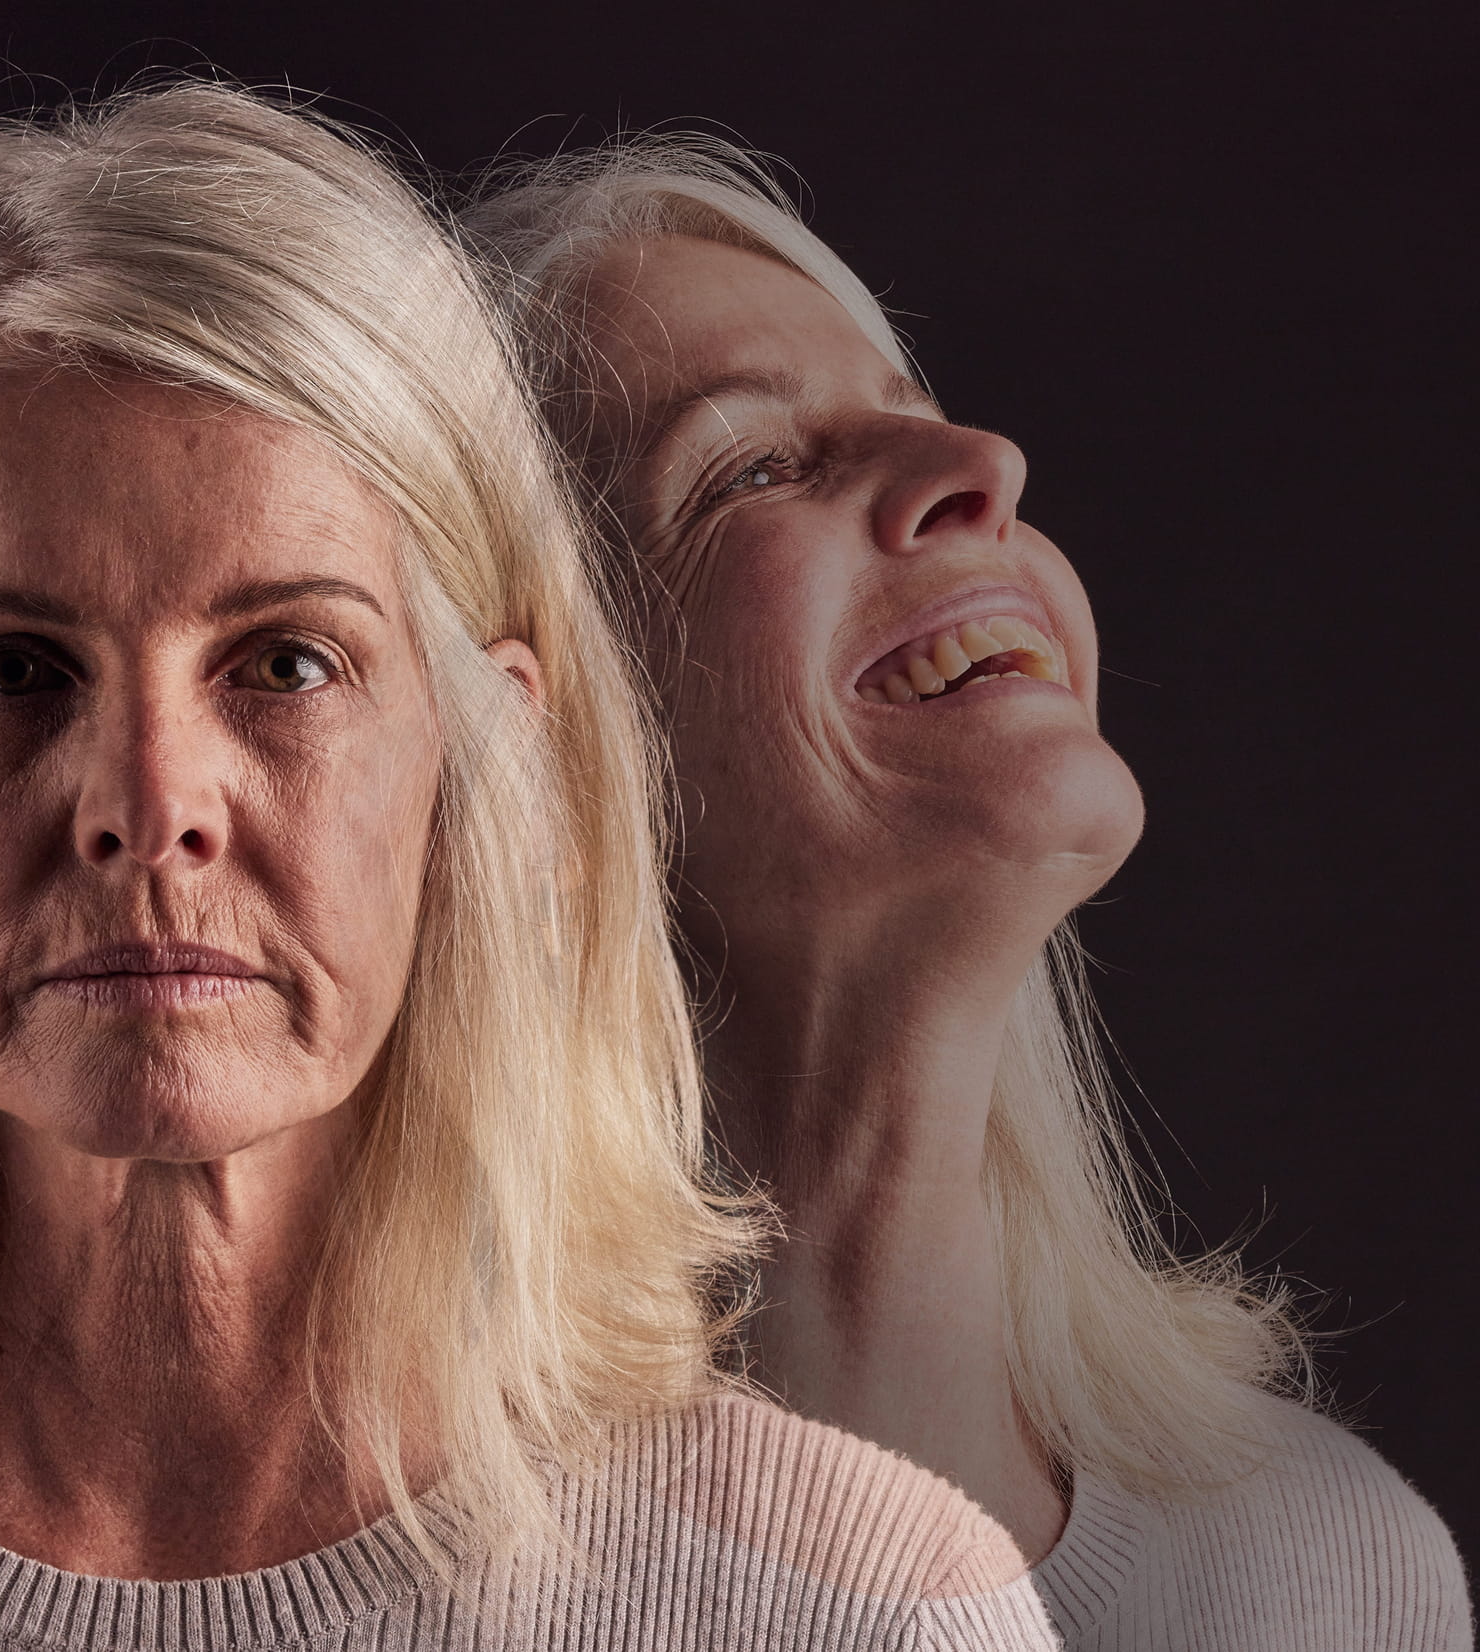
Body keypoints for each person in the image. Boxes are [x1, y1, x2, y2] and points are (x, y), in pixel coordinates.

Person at [0, 82, 1062, 1649]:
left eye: (286, 663)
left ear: (493, 764)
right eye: (9, 670)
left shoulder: (853, 1605)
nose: (150, 805)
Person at [467, 138, 1469, 1648]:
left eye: (922, 419)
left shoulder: (1334, 1570)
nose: (983, 467)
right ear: (531, 746)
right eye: (752, 467)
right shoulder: (359, 1585)